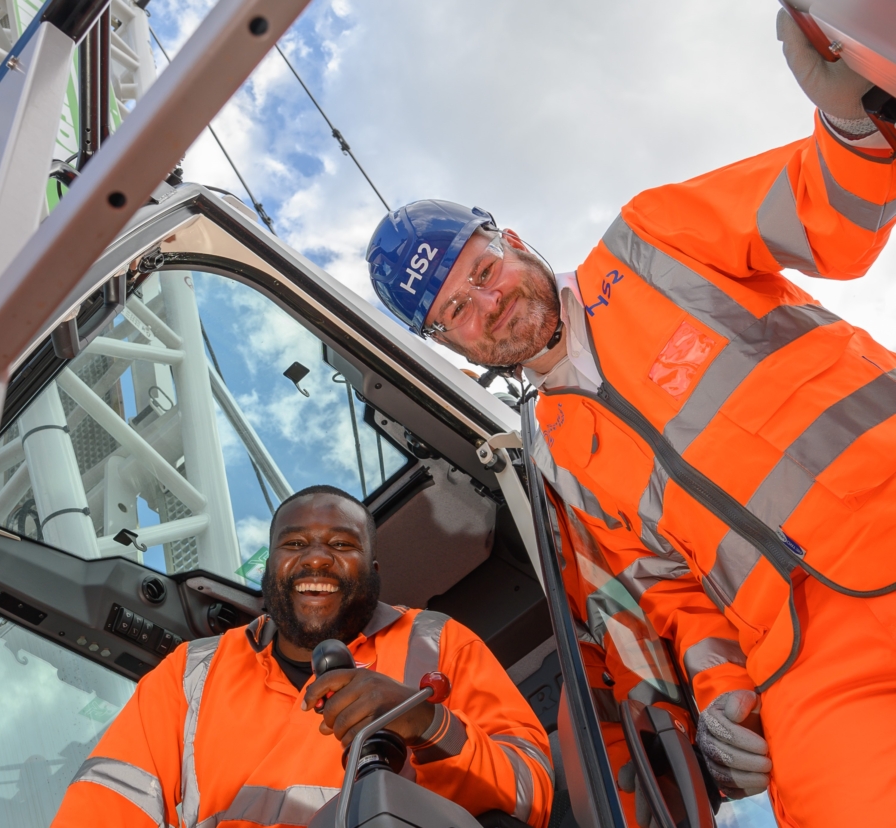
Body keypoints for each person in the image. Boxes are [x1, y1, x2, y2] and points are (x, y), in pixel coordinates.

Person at [364, 11, 896, 828]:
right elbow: (667, 589)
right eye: (458, 311)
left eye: (482, 269)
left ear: (508, 237)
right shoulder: (557, 458)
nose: (490, 303)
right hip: (806, 652)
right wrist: (721, 700)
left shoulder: (649, 242)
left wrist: (856, 123)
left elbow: (821, 211)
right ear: (446, 343)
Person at [51, 485, 555, 828]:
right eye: (294, 543)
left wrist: (428, 724)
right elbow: (104, 805)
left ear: (373, 568)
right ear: (271, 569)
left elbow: (531, 794)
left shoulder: (439, 642)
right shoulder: (191, 673)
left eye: (341, 543)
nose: (316, 557)